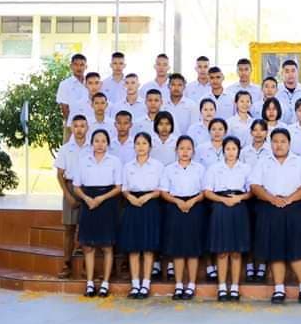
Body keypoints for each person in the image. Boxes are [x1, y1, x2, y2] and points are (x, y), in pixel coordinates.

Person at [249, 128, 301, 304]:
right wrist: (272, 199)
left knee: (297, 248)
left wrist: (290, 199)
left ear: (289, 143)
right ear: (270, 143)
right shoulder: (263, 162)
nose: (279, 145)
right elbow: (254, 185)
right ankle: (279, 289)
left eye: (283, 141)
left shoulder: (299, 162)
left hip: (294, 207)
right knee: (275, 249)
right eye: (275, 141)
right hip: (270, 207)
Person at [72, 129, 123, 298]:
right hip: (88, 202)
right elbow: (76, 186)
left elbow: (119, 187)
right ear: (92, 143)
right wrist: (87, 199)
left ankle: (105, 283)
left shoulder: (115, 161)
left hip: (107, 203)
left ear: (108, 143)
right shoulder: (83, 161)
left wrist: (102, 198)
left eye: (103, 141)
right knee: (88, 246)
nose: (100, 144)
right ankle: (90, 283)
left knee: (107, 245)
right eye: (97, 141)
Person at [203, 136, 253, 302]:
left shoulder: (245, 168)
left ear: (238, 151)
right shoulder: (214, 168)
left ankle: (235, 286)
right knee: (222, 250)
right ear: (223, 150)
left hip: (239, 206)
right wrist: (223, 200)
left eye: (234, 149)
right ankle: (222, 286)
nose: (231, 152)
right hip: (220, 207)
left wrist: (239, 198)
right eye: (228, 149)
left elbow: (251, 191)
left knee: (236, 251)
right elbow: (207, 191)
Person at [160, 136, 207, 301]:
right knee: (177, 248)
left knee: (193, 248)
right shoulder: (169, 169)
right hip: (175, 207)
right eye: (181, 148)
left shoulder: (200, 169)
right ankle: (179, 284)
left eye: (188, 148)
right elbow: (164, 192)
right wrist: (178, 201)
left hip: (195, 207)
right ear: (176, 150)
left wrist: (192, 201)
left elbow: (205, 191)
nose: (185, 152)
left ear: (193, 151)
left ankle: (191, 285)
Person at [118, 133, 164, 300]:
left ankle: (146, 283)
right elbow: (124, 188)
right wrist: (130, 197)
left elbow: (161, 188)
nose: (141, 147)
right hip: (133, 204)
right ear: (134, 146)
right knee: (134, 247)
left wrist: (148, 196)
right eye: (138, 143)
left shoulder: (158, 166)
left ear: (150, 146)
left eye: (144, 143)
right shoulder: (128, 166)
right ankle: (135, 283)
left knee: (148, 247)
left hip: (150, 204)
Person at [54, 114, 91, 278]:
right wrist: (67, 195)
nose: (79, 129)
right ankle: (66, 263)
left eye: (82, 126)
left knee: (86, 228)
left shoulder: (92, 147)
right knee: (69, 228)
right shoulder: (65, 149)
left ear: (87, 128)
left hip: (87, 188)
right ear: (71, 128)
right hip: (70, 187)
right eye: (76, 126)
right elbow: (59, 174)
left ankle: (86, 266)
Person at [238, 119, 270, 282]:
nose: (258, 133)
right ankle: (250, 265)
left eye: (261, 130)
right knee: (249, 230)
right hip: (248, 196)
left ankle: (262, 265)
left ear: (266, 132)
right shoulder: (244, 152)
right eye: (255, 130)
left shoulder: (271, 150)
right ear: (250, 132)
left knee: (263, 231)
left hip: (265, 196)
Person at [57, 53, 88, 141]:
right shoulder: (65, 84)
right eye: (76, 64)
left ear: (86, 67)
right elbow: (64, 107)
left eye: (82, 65)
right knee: (69, 148)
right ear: (71, 66)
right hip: (71, 126)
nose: (79, 68)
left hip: (89, 125)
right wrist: (72, 125)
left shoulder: (90, 83)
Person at [276, 60, 301, 124]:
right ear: (282, 73)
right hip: (280, 127)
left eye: (293, 71)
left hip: (300, 127)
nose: (290, 74)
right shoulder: (276, 90)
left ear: (297, 72)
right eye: (287, 71)